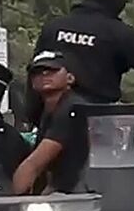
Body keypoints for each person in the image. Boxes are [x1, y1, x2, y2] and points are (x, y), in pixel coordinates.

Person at [11, 52, 87, 196]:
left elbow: (34, 165)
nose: (44, 73)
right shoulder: (48, 110)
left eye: (53, 70)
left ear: (70, 77)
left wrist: (12, 206)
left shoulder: (72, 108)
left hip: (80, 195)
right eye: (37, 72)